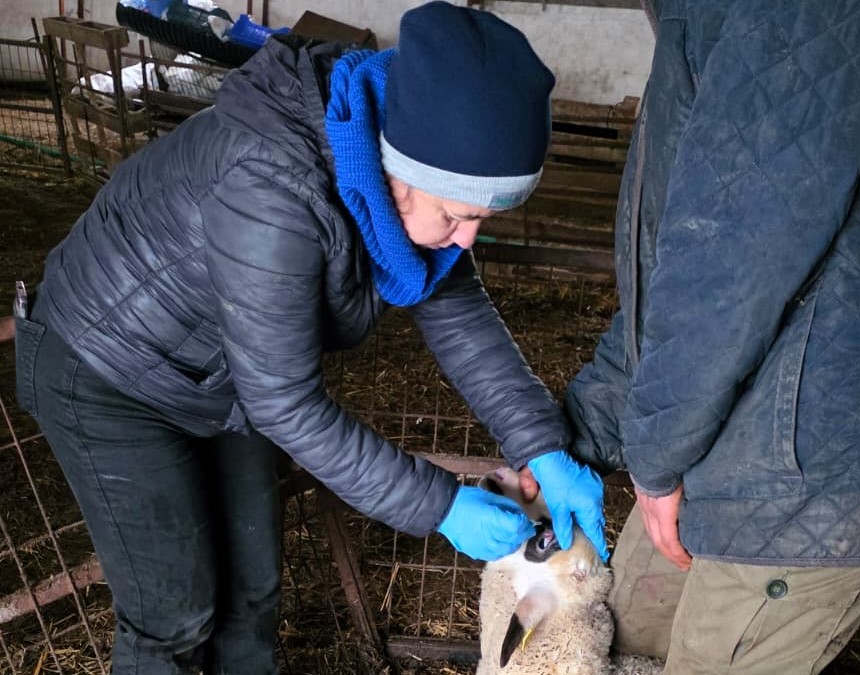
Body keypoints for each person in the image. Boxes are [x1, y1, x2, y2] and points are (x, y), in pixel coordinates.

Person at [12, 2, 609, 672]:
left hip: (222, 374)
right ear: (397, 172)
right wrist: (440, 504)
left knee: (253, 592)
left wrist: (541, 447)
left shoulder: (396, 168)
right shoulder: (272, 185)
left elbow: (457, 310)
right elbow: (284, 401)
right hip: (106, 368)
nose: (467, 239)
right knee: (175, 612)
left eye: (483, 218)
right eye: (455, 214)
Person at [563, 1, 860, 673]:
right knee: (614, 637)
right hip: (718, 430)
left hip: (799, 467)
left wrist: (655, 458)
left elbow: (729, 260)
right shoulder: (699, 13)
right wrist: (577, 436)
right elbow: (670, 273)